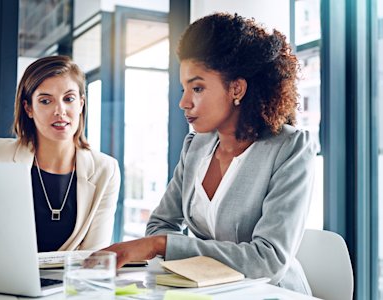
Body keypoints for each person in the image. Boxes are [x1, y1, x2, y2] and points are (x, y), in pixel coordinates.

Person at [103, 13, 315, 294]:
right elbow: (161, 223)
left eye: (198, 88)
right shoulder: (196, 146)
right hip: (205, 293)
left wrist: (164, 246)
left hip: (271, 294)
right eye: (184, 88)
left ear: (236, 88)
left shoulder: (290, 149)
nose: (183, 102)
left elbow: (268, 260)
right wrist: (171, 252)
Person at [0, 55, 120, 252]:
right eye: (46, 101)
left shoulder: (106, 169)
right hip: (6, 278)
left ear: (81, 104)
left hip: (70, 280)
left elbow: (94, 254)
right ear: (28, 108)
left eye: (69, 99)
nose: (60, 110)